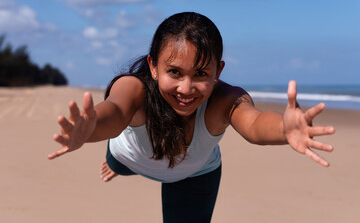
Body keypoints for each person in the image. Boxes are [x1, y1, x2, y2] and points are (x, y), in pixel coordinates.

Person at [48, 12, 335, 223]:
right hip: (128, 159)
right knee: (117, 164)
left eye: (200, 74)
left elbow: (255, 124)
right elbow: (115, 112)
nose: (186, 89)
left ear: (218, 71)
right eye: (174, 72)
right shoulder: (134, 88)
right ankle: (116, 165)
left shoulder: (224, 99)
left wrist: (284, 130)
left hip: (194, 174)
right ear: (153, 65)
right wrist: (90, 128)